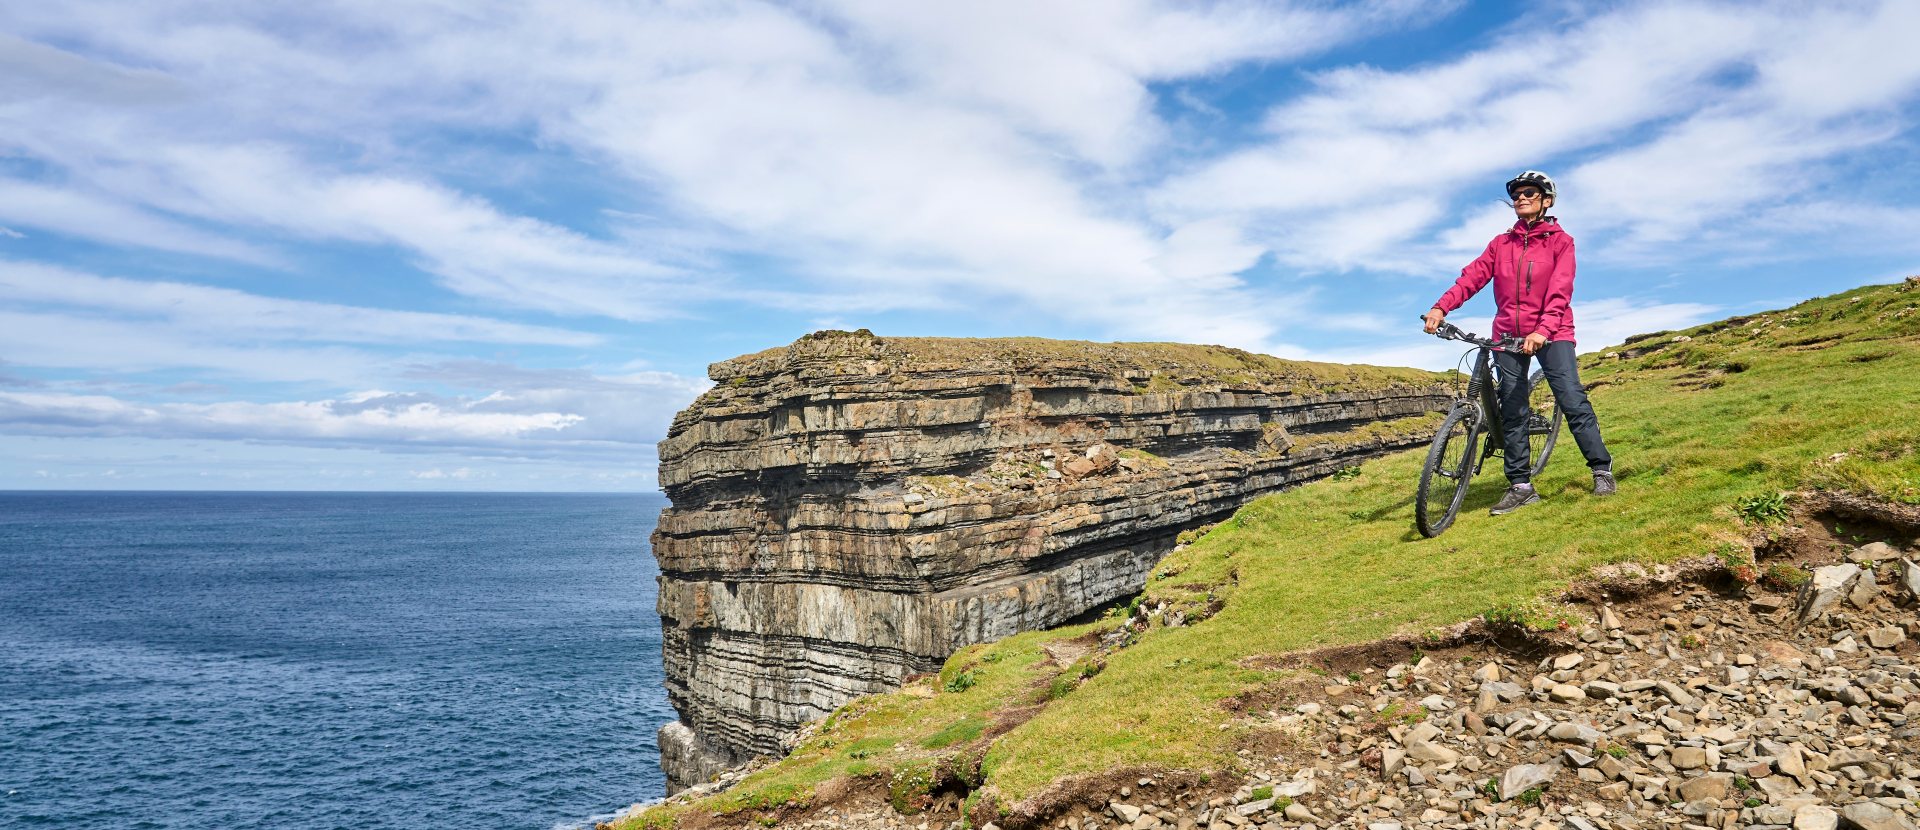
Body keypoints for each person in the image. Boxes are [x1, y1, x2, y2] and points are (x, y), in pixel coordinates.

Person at [1422, 170, 1614, 515]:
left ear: (1546, 200)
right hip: (1507, 333)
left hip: (1552, 332)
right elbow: (1472, 277)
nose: (1521, 198)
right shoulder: (1501, 244)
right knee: (1512, 407)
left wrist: (1541, 331)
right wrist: (1441, 306)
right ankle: (1521, 486)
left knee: (1571, 399)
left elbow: (1560, 291)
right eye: (1517, 195)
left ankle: (1601, 469)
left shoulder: (1560, 241)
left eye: (1529, 193)